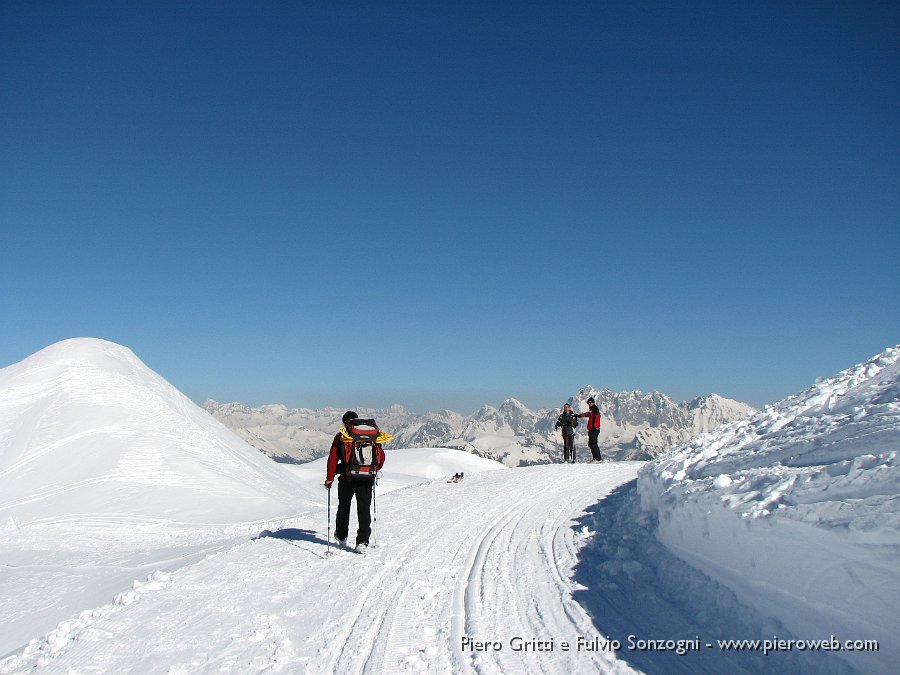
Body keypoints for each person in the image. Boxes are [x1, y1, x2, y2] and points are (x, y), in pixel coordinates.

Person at [325, 410, 386, 551]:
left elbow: (333, 459)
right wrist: (371, 470)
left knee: (344, 507)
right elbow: (380, 459)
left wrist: (329, 479)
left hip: (347, 478)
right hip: (366, 478)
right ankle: (362, 542)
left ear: (345, 422)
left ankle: (341, 536)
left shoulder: (342, 436)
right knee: (364, 509)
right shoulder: (371, 435)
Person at [578, 397, 603, 462]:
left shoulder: (594, 409)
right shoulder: (593, 409)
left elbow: (588, 414)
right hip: (593, 429)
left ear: (593, 403)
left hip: (594, 429)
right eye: (588, 403)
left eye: (590, 402)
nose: (589, 404)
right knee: (591, 444)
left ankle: (597, 459)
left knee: (593, 444)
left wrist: (579, 415)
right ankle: (595, 458)